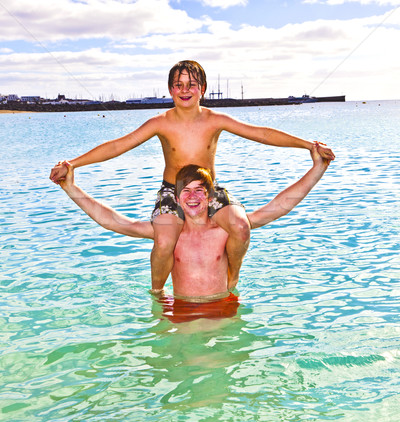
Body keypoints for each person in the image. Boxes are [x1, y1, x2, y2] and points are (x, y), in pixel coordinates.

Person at [50, 60, 335, 293]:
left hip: (208, 188)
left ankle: (231, 278)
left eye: (191, 84)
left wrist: (307, 145)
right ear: (171, 90)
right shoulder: (159, 123)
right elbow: (117, 145)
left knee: (242, 226)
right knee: (163, 241)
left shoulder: (215, 119)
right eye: (178, 85)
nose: (184, 90)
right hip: (173, 191)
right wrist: (74, 164)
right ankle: (158, 292)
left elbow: (261, 133)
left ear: (203, 89)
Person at [57, 143, 330, 301]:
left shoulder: (223, 231)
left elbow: (280, 206)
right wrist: (70, 188)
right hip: (183, 308)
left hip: (223, 305)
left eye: (200, 190)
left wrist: (317, 168)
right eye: (186, 191)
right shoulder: (169, 233)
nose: (193, 196)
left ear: (210, 196)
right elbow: (114, 222)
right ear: (176, 198)